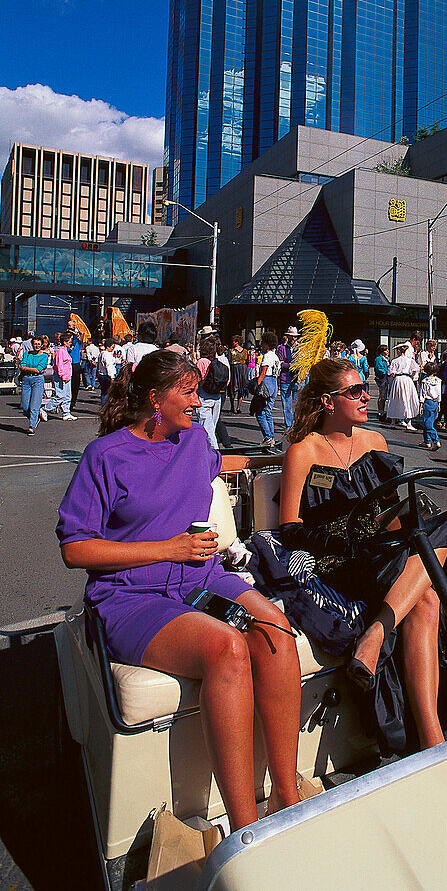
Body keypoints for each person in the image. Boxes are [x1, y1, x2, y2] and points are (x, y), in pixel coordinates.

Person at [56, 350, 301, 829]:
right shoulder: (105, 456)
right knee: (227, 647)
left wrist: (291, 453)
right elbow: (77, 550)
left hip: (200, 577)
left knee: (278, 629)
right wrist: (169, 549)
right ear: (155, 398)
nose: (198, 400)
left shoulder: (193, 441)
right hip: (130, 596)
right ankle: (245, 827)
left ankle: (286, 799)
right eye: (188, 392)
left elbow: (222, 462)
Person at [278, 357, 447, 750]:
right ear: (328, 402)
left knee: (439, 539)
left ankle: (377, 636)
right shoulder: (303, 451)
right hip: (338, 560)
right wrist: (349, 535)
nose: (367, 397)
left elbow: (390, 513)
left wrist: (400, 518)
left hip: (381, 550)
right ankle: (434, 739)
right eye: (356, 391)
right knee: (428, 594)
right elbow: (290, 528)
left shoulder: (375, 442)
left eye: (365, 388)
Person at [196, 334, 229, 449]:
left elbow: (198, 380)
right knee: (212, 427)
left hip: (205, 396)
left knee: (207, 429)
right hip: (217, 396)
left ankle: (215, 453)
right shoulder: (219, 361)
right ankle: (210, 450)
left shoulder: (202, 362)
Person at [18, 335, 50, 435]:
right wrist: (27, 368)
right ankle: (35, 416)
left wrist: (26, 368)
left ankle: (31, 426)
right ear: (32, 344)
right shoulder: (27, 354)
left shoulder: (44, 356)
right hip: (26, 379)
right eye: (35, 344)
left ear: (42, 345)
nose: (36, 346)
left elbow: (38, 369)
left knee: (34, 406)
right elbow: (21, 366)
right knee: (25, 406)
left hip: (37, 380)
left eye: (38, 344)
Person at [43, 332, 76, 421]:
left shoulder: (65, 351)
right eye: (69, 341)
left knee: (68, 396)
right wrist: (62, 375)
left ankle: (66, 413)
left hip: (67, 376)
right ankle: (45, 409)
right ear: (64, 342)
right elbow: (58, 364)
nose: (70, 343)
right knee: (60, 396)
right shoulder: (60, 351)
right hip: (62, 377)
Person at [255, 331, 281, 446]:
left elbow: (264, 371)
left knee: (260, 412)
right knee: (268, 412)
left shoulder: (267, 356)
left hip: (266, 382)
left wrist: (257, 385)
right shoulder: (276, 357)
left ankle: (268, 437)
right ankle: (271, 437)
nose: (261, 345)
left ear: (267, 344)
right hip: (274, 383)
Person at [386, 344, 419, 430]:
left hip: (399, 380)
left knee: (395, 399)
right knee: (408, 399)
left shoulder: (395, 361)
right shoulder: (410, 360)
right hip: (407, 380)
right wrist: (410, 374)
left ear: (399, 351)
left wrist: (395, 374)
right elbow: (415, 370)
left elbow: (391, 372)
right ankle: (409, 422)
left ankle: (393, 421)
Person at [276, 327, 299, 431]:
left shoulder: (301, 348)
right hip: (285, 379)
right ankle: (289, 426)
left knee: (297, 405)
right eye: (292, 336)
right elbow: (280, 363)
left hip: (298, 379)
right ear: (288, 336)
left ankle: (296, 425)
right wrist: (291, 366)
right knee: (287, 405)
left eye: (295, 336)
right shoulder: (281, 348)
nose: (293, 338)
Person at [418, 362, 442, 450]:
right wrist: (439, 403)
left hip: (428, 402)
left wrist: (421, 404)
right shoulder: (438, 380)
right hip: (435, 402)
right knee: (430, 421)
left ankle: (435, 441)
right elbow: (439, 393)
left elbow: (422, 394)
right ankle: (426, 441)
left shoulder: (425, 381)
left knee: (427, 423)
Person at [228, 335, 248, 413]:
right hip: (243, 369)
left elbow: (229, 361)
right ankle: (237, 407)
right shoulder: (245, 351)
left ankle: (234, 407)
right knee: (239, 388)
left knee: (234, 387)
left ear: (236, 342)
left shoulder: (231, 351)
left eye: (233, 341)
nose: (232, 343)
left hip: (235, 369)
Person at [66, 324, 83, 412]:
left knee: (75, 385)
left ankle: (73, 402)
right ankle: (66, 402)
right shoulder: (66, 344)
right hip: (67, 365)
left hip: (75, 365)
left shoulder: (78, 343)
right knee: (67, 384)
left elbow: (82, 333)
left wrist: (74, 329)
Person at [98, 339, 118, 406]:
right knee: (107, 393)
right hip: (106, 375)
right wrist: (112, 377)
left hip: (101, 374)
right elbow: (109, 366)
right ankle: (104, 408)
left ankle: (103, 407)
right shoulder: (107, 355)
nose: (112, 349)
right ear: (108, 347)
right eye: (112, 347)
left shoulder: (102, 353)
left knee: (104, 393)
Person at [373, 344, 390, 422]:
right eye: (386, 350)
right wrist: (386, 372)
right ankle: (381, 412)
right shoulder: (379, 359)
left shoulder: (387, 359)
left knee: (385, 395)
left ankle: (384, 412)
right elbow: (378, 369)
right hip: (382, 378)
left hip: (387, 378)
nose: (388, 351)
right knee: (382, 395)